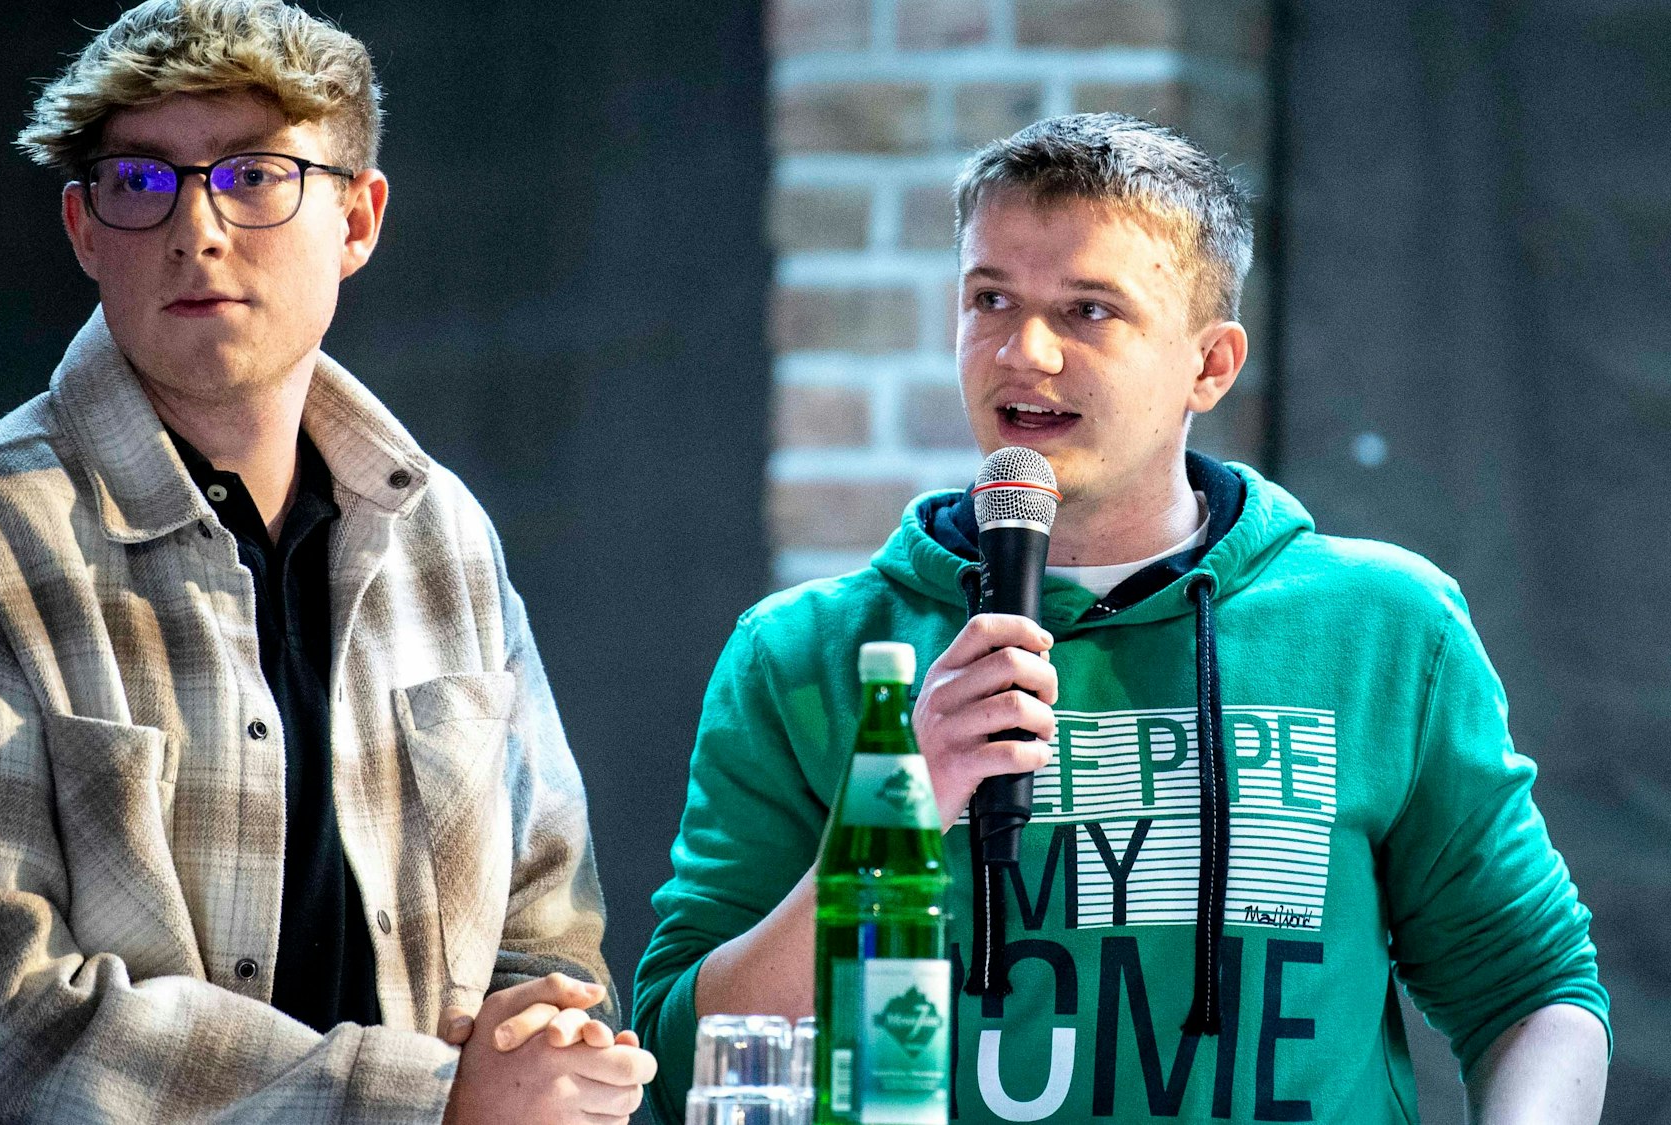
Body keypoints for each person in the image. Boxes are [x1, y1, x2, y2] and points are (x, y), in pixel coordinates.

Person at [635, 113, 1609, 1123]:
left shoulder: (1381, 624)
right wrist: (898, 811)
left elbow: (1531, 994)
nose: (1023, 351)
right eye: (989, 299)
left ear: (1208, 364)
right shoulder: (803, 654)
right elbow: (688, 1049)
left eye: (1088, 311)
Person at [0, 1, 654, 1120]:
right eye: (142, 182)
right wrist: (430, 1102)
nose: (195, 229)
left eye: (255, 176)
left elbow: (548, 928)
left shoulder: (440, 535)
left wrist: (544, 1045)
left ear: (357, 220)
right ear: (83, 229)